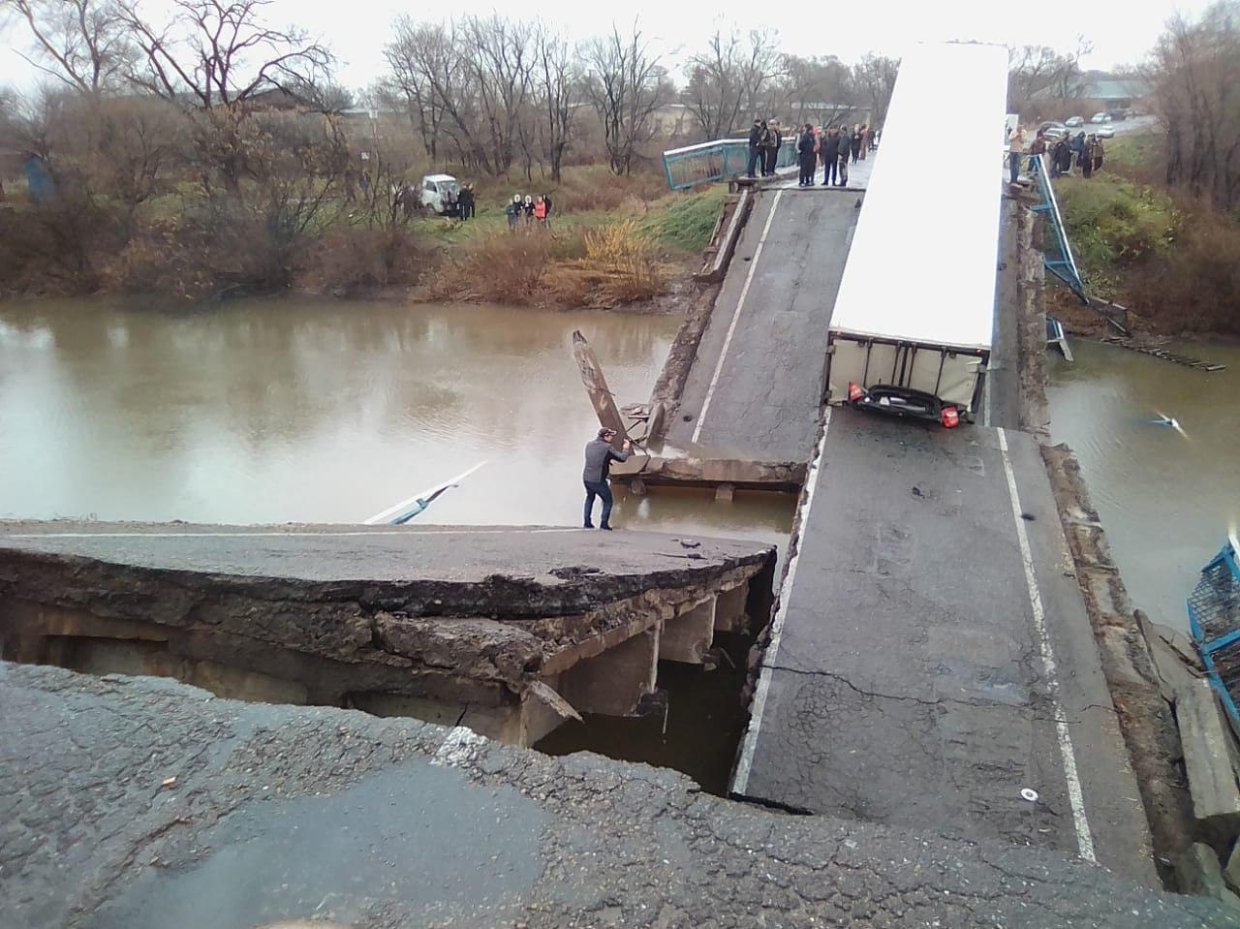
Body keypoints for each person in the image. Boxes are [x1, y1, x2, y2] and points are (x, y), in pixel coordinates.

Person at [582, 427, 631, 530]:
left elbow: (596, 458)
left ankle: (587, 523)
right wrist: (626, 448)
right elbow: (622, 458)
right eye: (611, 436)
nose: (612, 438)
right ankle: (604, 524)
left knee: (590, 498)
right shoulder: (607, 447)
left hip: (586, 477)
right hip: (598, 480)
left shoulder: (589, 444)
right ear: (605, 436)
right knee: (608, 500)